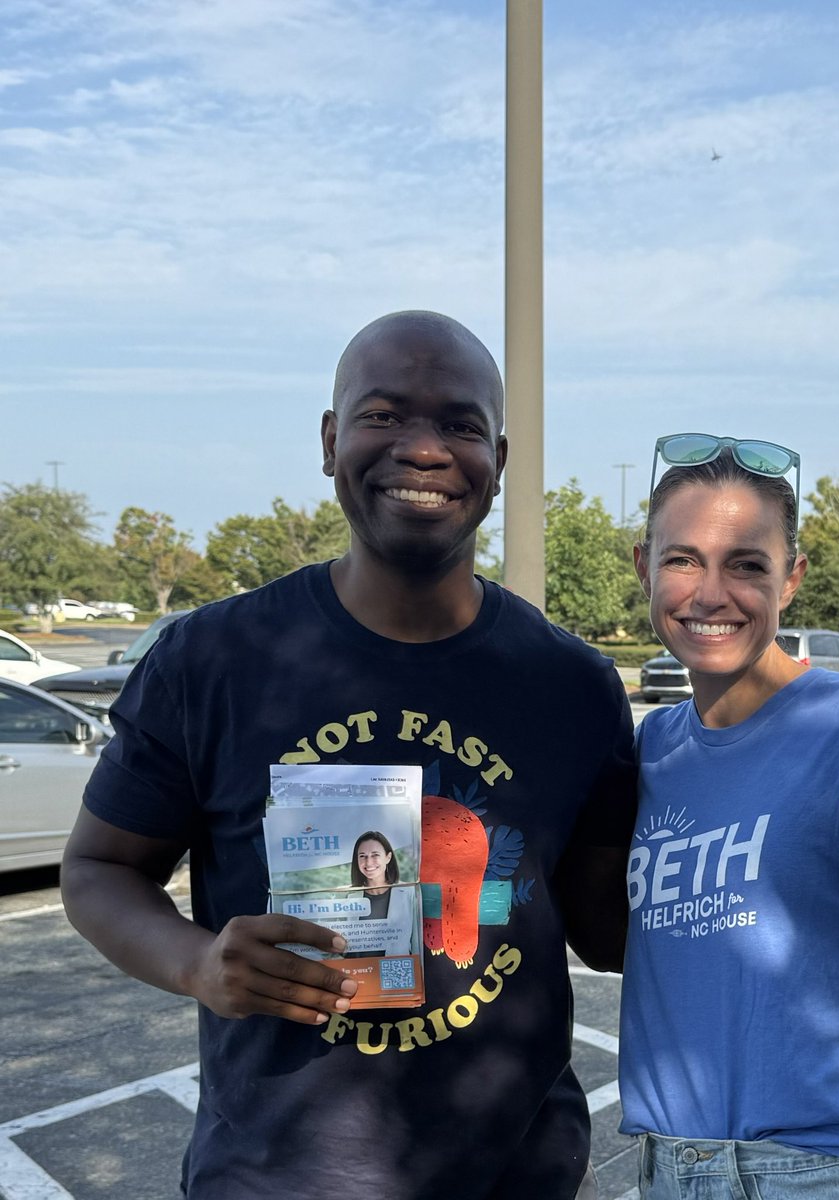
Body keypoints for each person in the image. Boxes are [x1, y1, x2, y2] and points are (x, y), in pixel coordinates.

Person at [60, 311, 636, 1200]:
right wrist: (197, 965)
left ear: (499, 459)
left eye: (459, 424)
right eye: (382, 415)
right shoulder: (209, 661)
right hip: (273, 1180)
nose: (422, 448)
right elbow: (99, 868)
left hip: (518, 1177)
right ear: (330, 442)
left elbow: (608, 931)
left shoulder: (573, 685)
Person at [618, 434, 839, 1199]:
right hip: (668, 1169)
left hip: (821, 1173)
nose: (710, 593)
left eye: (746, 564)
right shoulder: (649, 752)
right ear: (643, 566)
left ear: (790, 580)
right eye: (682, 559)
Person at [348, 829, 415, 956]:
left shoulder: (409, 893)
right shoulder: (348, 896)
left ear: (388, 857)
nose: (368, 862)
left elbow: (416, 943)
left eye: (375, 855)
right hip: (360, 972)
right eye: (362, 856)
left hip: (396, 971)